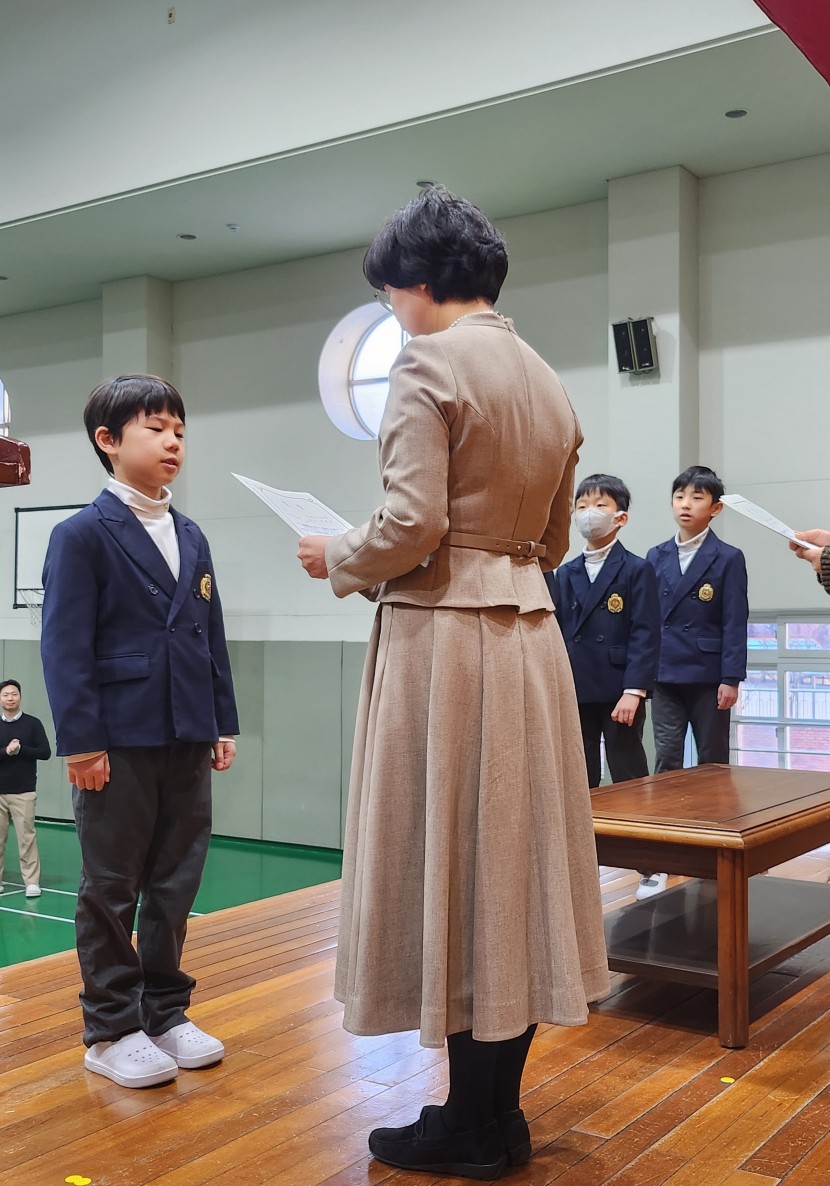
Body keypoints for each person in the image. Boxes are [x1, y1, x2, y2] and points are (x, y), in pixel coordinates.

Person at [298, 188, 609, 1180]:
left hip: (444, 639)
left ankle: (468, 1126)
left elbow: (411, 524)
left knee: (450, 865)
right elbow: (551, 540)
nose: (393, 312)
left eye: (389, 295)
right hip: (530, 641)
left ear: (419, 282)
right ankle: (492, 1115)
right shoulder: (548, 381)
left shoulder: (426, 362)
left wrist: (336, 554)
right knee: (510, 871)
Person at [41, 374, 239, 1090]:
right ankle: (110, 1027)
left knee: (176, 880)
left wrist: (221, 721)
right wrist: (82, 742)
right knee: (111, 887)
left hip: (186, 733)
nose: (172, 441)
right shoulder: (80, 535)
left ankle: (165, 1011)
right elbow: (64, 646)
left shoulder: (191, 534)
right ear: (108, 440)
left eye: (179, 430)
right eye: (155, 428)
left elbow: (210, 634)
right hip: (116, 741)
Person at [643, 465, 748, 898]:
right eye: (680, 496)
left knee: (712, 764)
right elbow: (646, 621)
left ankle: (714, 852)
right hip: (665, 673)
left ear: (715, 508)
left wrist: (731, 677)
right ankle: (661, 858)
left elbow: (734, 620)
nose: (686, 504)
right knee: (667, 761)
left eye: (697, 497)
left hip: (708, 675)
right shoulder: (655, 555)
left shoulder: (728, 557)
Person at [547, 474, 660, 790]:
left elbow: (645, 634)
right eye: (582, 506)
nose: (588, 514)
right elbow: (557, 632)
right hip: (576, 685)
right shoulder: (565, 572)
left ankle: (636, 822)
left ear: (620, 518)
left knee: (627, 769)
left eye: (599, 505)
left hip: (618, 687)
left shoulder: (637, 568)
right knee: (579, 773)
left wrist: (634, 691)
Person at [0, 679, 51, 898]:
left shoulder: (33, 724)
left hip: (24, 791)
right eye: (5, 695)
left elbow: (45, 752)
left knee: (26, 838)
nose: (10, 698)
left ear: (20, 696)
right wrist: (6, 751)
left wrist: (21, 750)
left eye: (14, 694)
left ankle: (31, 882)